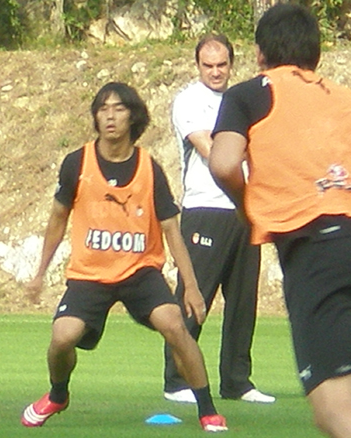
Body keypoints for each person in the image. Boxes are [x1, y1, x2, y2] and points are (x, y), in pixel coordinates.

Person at [21, 82, 227, 432]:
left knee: (175, 326)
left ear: (133, 116)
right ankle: (58, 394)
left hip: (139, 271)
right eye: (103, 109)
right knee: (62, 338)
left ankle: (207, 409)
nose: (110, 116)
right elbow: (57, 218)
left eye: (118, 108)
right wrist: (40, 273)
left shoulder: (149, 168)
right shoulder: (77, 163)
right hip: (89, 273)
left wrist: (191, 287)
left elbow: (171, 230)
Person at [209, 4, 351, 437]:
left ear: (259, 53)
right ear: (316, 53)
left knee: (335, 412)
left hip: (316, 249)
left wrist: (248, 206)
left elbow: (224, 163)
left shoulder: (249, 94)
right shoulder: (343, 97)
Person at [163, 34, 275, 404]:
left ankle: (237, 382)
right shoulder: (190, 101)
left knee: (243, 299)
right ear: (198, 65)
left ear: (231, 64)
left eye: (222, 65)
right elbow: (210, 150)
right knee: (195, 294)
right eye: (208, 65)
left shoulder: (241, 99)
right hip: (205, 209)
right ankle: (177, 380)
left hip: (244, 207)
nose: (215, 72)